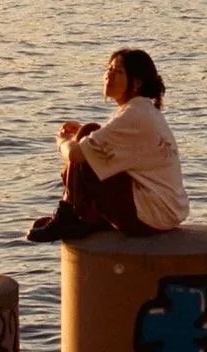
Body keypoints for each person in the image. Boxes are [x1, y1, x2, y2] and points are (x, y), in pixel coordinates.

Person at [26, 48, 189, 242]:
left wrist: (62, 141)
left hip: (152, 215)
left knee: (86, 147)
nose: (109, 75)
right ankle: (81, 216)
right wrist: (81, 134)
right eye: (108, 69)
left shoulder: (134, 115)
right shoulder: (141, 110)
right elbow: (105, 141)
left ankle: (70, 214)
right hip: (164, 211)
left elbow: (75, 155)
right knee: (89, 131)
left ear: (136, 82)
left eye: (118, 71)